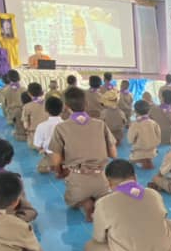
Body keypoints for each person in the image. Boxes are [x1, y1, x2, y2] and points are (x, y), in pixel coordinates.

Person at [85, 160, 171, 251]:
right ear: (135, 177)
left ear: (108, 183)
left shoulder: (103, 203)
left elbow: (99, 238)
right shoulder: (153, 194)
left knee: (90, 247)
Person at [49, 87, 117, 221]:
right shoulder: (100, 124)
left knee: (70, 200)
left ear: (66, 106)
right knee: (104, 195)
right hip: (101, 179)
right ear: (86, 104)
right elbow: (114, 154)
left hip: (77, 177)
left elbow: (55, 161)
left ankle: (84, 202)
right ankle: (100, 200)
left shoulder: (61, 128)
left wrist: (59, 172)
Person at [33, 97, 64, 173]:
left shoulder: (41, 126)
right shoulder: (67, 125)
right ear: (62, 109)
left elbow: (37, 145)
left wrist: (42, 150)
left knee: (40, 168)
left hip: (50, 154)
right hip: (65, 155)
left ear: (46, 110)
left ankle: (52, 167)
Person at [127, 100, 161, 170]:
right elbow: (159, 138)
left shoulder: (135, 124)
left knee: (130, 160)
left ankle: (141, 160)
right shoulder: (154, 123)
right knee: (151, 152)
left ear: (135, 111)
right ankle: (148, 159)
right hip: (152, 151)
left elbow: (130, 140)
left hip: (139, 150)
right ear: (149, 111)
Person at [21, 83, 48, 150]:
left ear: (29, 93)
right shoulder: (49, 102)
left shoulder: (27, 106)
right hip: (49, 133)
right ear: (41, 92)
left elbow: (26, 126)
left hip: (35, 136)